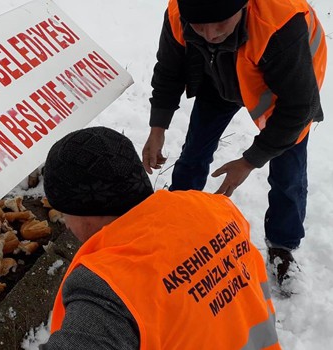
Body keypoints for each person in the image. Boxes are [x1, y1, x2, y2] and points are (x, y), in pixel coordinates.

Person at [141, 0, 326, 293]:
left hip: (282, 90)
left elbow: (300, 106)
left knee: (287, 174)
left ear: (243, 7)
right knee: (194, 151)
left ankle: (282, 246)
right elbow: (169, 69)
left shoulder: (279, 24)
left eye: (220, 24)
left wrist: (250, 160)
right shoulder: (180, 13)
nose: (210, 34)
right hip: (219, 78)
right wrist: (157, 127)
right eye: (199, 27)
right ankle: (177, 218)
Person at [41, 126, 279, 349]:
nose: (66, 224)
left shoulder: (108, 287)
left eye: (64, 213)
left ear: (85, 213)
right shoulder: (218, 210)